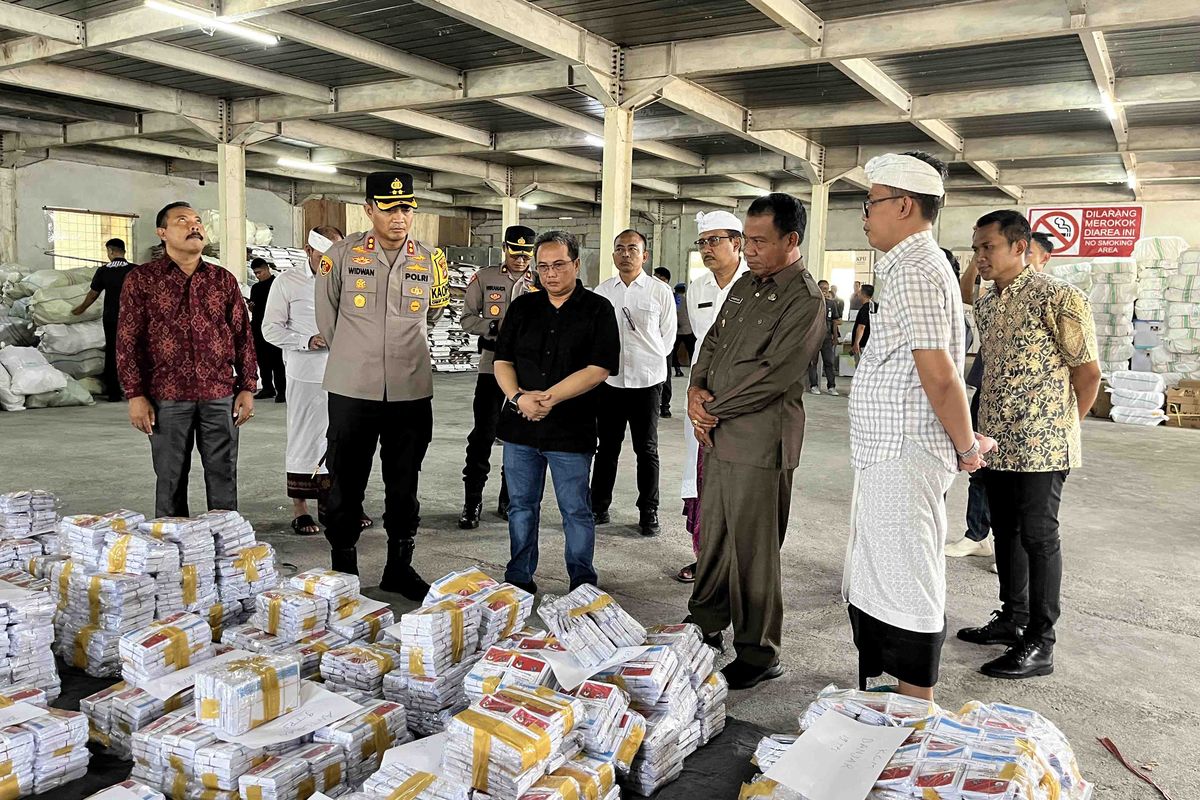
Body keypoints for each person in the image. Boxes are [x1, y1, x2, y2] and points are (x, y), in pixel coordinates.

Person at [845, 152, 996, 701]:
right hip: (891, 449)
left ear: (903, 205)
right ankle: (897, 688)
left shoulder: (916, 269)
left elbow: (940, 374)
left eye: (871, 203)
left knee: (907, 573)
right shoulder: (907, 266)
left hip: (904, 452)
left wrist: (966, 446)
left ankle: (917, 701)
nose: (865, 215)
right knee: (885, 566)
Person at [687, 193, 825, 689]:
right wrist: (695, 390)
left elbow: (775, 374)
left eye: (760, 241)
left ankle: (759, 650)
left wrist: (711, 409)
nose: (749, 250)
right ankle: (704, 623)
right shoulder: (746, 285)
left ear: (792, 240)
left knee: (753, 550)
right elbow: (713, 343)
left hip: (760, 441)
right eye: (746, 239)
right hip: (720, 433)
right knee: (715, 537)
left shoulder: (805, 299)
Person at [958, 210, 1100, 680]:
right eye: (976, 248)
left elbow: (1087, 373)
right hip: (996, 442)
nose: (980, 257)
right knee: (1005, 531)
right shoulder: (987, 303)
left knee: (1039, 537)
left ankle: (1041, 641)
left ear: (1020, 247)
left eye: (988, 248)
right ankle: (1012, 618)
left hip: (1043, 446)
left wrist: (1063, 429)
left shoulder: (1059, 297)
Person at [314, 171, 451, 600]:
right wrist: (359, 357)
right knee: (345, 480)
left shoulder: (429, 259)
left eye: (407, 208)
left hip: (410, 389)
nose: (399, 216)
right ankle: (344, 572)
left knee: (404, 480)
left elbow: (431, 315)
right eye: (389, 208)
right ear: (369, 209)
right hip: (353, 388)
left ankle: (399, 567)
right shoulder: (340, 255)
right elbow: (328, 319)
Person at [493, 230, 620, 593]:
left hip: (571, 429)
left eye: (559, 265)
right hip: (521, 428)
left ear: (576, 264)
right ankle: (519, 576)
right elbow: (502, 360)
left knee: (576, 510)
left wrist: (545, 399)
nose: (550, 274)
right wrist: (519, 399)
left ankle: (581, 578)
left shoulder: (597, 309)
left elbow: (599, 369)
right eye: (543, 266)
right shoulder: (522, 308)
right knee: (521, 507)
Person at [117, 202, 257, 518]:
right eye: (182, 220)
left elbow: (242, 337)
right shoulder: (142, 280)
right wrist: (135, 396)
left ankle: (224, 545)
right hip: (166, 396)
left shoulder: (222, 279)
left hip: (219, 394)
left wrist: (247, 388)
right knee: (170, 477)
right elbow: (127, 342)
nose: (194, 225)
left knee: (223, 474)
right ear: (162, 232)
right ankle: (172, 548)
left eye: (197, 220)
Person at [674, 210, 749, 585]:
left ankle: (734, 562)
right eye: (702, 242)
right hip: (701, 397)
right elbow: (700, 345)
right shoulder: (699, 288)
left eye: (714, 240)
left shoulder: (756, 285)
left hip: (742, 401)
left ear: (737, 243)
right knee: (699, 476)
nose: (707, 248)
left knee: (736, 482)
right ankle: (703, 556)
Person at [591, 229, 677, 537]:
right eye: (619, 249)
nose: (625, 253)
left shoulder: (659, 292)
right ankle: (598, 505)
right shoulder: (603, 292)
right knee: (607, 449)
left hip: (647, 382)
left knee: (647, 449)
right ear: (613, 255)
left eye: (632, 248)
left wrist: (648, 362)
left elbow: (667, 338)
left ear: (645, 255)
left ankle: (648, 510)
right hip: (610, 382)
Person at [262, 226, 346, 537]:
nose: (330, 264)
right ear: (309, 251)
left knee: (341, 437)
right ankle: (300, 508)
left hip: (344, 372)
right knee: (304, 437)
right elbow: (270, 329)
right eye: (325, 256)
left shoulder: (346, 280)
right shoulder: (288, 282)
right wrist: (305, 339)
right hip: (305, 373)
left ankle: (335, 502)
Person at [458, 225, 538, 529]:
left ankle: (509, 500)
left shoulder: (541, 281)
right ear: (505, 249)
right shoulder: (485, 278)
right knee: (483, 434)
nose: (520, 259)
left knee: (518, 437)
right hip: (492, 366)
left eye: (525, 253)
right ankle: (472, 502)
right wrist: (494, 327)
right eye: (514, 252)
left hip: (527, 371)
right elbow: (467, 318)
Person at [72, 238, 136, 402]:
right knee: (135, 352)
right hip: (134, 319)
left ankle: (114, 393)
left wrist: (81, 308)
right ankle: (136, 391)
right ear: (124, 251)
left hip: (112, 318)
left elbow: (93, 294)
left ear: (111, 251)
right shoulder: (135, 270)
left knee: (113, 353)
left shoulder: (104, 271)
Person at [249, 258, 287, 402]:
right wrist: (251, 306)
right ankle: (267, 387)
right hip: (258, 327)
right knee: (262, 361)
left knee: (277, 361)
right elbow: (255, 305)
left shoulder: (277, 284)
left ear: (266, 269)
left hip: (275, 327)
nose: (258, 276)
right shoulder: (256, 288)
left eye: (259, 272)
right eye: (255, 273)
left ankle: (282, 391)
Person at [808, 279, 840, 396]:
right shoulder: (811, 303)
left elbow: (835, 322)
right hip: (814, 338)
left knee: (829, 362)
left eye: (826, 289)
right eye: (822, 288)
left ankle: (831, 386)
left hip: (827, 338)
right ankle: (814, 385)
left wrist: (835, 337)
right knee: (813, 362)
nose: (824, 291)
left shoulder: (832, 304)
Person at [850, 284, 875, 362]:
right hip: (872, 344)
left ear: (862, 294)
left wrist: (856, 343)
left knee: (861, 368)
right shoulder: (875, 306)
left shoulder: (865, 309)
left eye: (859, 291)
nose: (858, 293)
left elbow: (861, 327)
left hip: (863, 344)